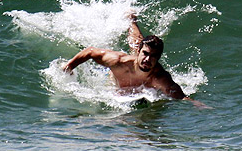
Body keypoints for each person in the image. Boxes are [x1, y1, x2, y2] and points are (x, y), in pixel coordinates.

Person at [63, 13, 207, 107]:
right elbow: (90, 51)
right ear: (140, 52)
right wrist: (69, 66)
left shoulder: (160, 77)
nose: (147, 59)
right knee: (136, 44)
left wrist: (197, 104)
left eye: (153, 56)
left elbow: (181, 97)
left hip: (136, 68)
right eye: (144, 53)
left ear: (158, 58)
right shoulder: (118, 61)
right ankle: (131, 20)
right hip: (117, 74)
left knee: (139, 51)